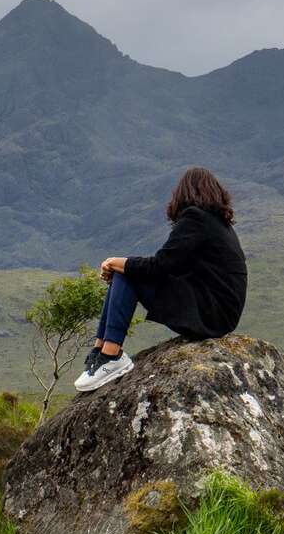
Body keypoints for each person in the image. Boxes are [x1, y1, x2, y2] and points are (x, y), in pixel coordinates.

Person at [74, 166, 248, 392]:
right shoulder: (218, 224)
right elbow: (174, 266)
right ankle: (101, 351)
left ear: (184, 193)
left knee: (128, 275)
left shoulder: (196, 218)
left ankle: (111, 355)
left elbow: (160, 265)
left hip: (210, 313)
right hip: (217, 312)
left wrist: (115, 262)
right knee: (126, 272)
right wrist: (122, 265)